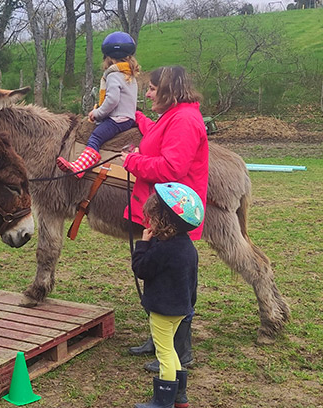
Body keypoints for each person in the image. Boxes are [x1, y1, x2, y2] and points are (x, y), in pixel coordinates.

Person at [120, 66, 208, 374]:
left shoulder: (184, 120)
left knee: (176, 285)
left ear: (169, 91)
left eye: (152, 88)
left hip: (175, 217)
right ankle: (160, 341)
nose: (147, 93)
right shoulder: (174, 116)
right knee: (159, 279)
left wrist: (132, 161)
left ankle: (179, 352)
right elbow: (157, 134)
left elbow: (172, 167)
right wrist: (137, 119)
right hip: (164, 214)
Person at [132, 182, 203, 408]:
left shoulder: (162, 249)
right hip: (181, 309)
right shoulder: (187, 246)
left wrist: (143, 244)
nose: (148, 223)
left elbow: (141, 269)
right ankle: (180, 398)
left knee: (164, 355)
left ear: (161, 221)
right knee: (171, 350)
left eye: (151, 218)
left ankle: (163, 402)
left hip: (163, 311)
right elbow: (193, 279)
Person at [57, 31, 140, 178]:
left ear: (108, 58)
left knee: (95, 136)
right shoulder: (130, 75)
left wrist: (97, 113)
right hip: (128, 118)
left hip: (118, 119)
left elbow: (112, 100)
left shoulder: (114, 75)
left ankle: (82, 166)